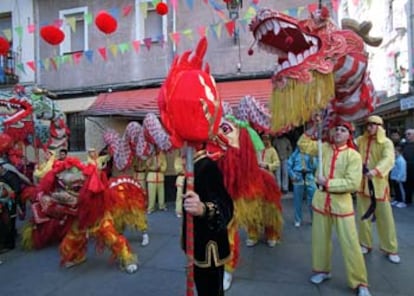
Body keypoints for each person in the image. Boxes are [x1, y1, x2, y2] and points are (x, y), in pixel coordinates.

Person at [298, 118, 372, 296]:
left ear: (349, 135)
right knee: (320, 240)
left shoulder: (353, 155)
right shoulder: (324, 148)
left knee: (350, 243)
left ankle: (360, 282)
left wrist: (328, 183)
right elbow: (302, 145)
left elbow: (353, 183)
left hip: (342, 204)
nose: (338, 132)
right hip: (321, 201)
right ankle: (322, 270)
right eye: (336, 129)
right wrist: (314, 126)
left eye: (343, 130)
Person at [182, 147, 234, 296]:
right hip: (198, 245)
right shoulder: (194, 166)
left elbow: (226, 206)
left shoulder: (208, 167)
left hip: (210, 249)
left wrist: (204, 208)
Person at [356, 115, 400, 264]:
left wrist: (375, 171)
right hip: (362, 185)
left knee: (385, 219)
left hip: (379, 186)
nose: (370, 127)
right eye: (368, 124)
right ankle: (365, 244)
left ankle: (390, 248)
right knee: (363, 217)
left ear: (379, 126)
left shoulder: (386, 143)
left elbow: (388, 159)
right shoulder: (361, 140)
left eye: (373, 125)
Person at [287, 146, 317, 227]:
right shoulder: (295, 154)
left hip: (309, 176)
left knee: (313, 199)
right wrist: (292, 175)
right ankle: (297, 219)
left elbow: (316, 166)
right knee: (297, 200)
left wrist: (312, 160)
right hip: (298, 176)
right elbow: (289, 165)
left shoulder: (312, 153)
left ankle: (314, 219)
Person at [0, 158, 22, 253]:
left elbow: (16, 189)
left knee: (10, 223)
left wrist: (10, 195)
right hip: (3, 204)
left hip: (11, 203)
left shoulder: (11, 176)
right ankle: (5, 242)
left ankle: (10, 244)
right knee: (5, 223)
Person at [145, 149, 167, 213]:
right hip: (152, 175)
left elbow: (165, 165)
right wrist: (151, 157)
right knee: (151, 194)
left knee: (161, 193)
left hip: (160, 175)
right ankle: (151, 208)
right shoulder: (150, 154)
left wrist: (161, 168)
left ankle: (162, 205)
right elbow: (147, 165)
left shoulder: (162, 155)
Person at [402, 128, 414, 206]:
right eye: (406, 134)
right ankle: (407, 201)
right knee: (407, 186)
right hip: (406, 168)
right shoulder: (403, 144)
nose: (407, 136)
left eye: (409, 134)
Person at [174, 150, 186, 218]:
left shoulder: (190, 159)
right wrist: (183, 165)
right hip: (180, 178)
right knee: (179, 196)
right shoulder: (177, 159)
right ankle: (178, 211)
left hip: (187, 178)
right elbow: (178, 170)